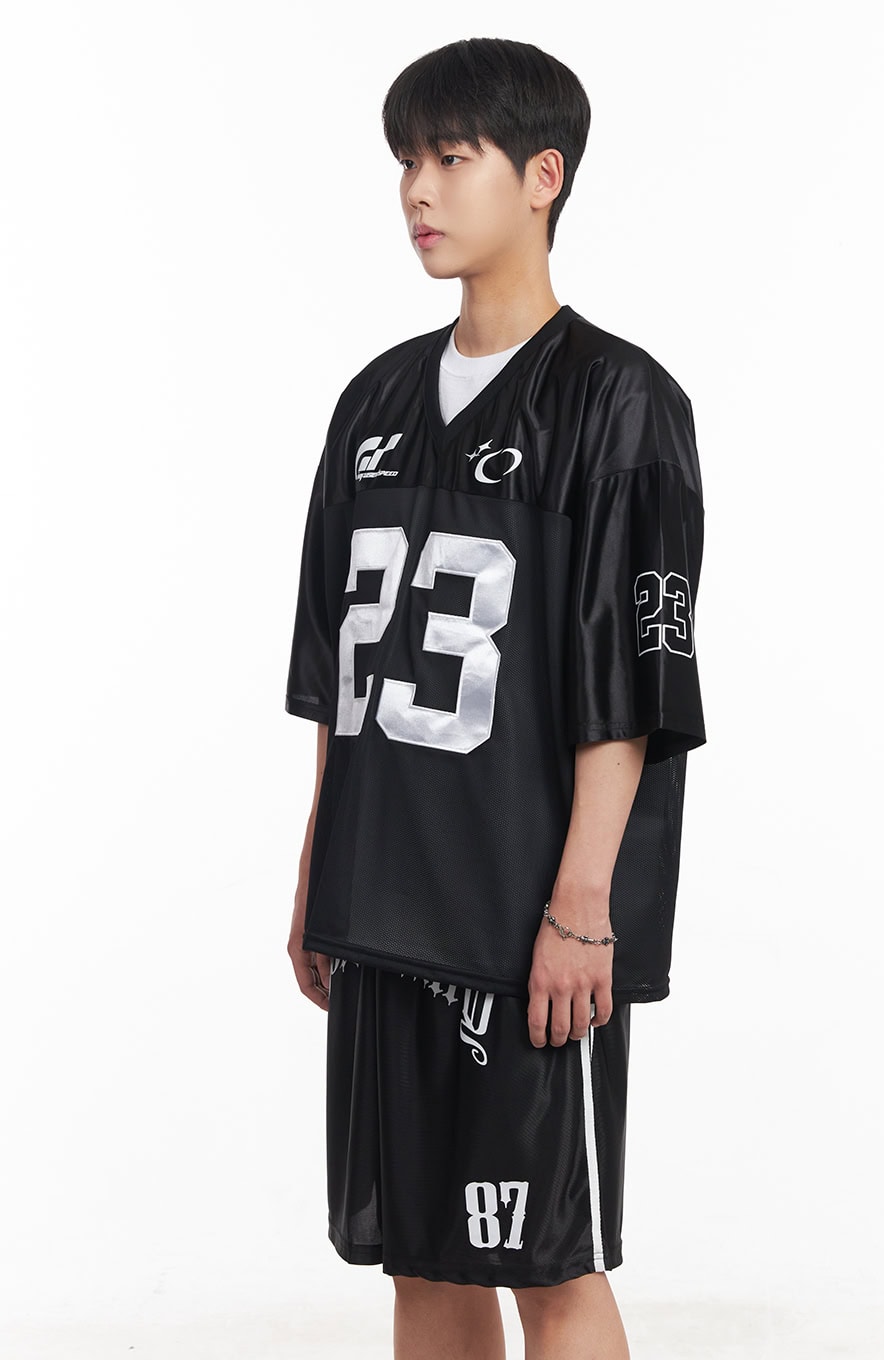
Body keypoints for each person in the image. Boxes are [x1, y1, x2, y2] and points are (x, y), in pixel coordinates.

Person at [284, 37, 707, 1360]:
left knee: (550, 1266)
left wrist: (583, 909)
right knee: (420, 1259)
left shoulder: (619, 401)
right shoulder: (373, 401)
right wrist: (319, 875)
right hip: (383, 898)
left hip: (522, 916)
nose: (419, 188)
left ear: (542, 176)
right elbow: (337, 676)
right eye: (407, 161)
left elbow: (631, 686)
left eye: (452, 157)